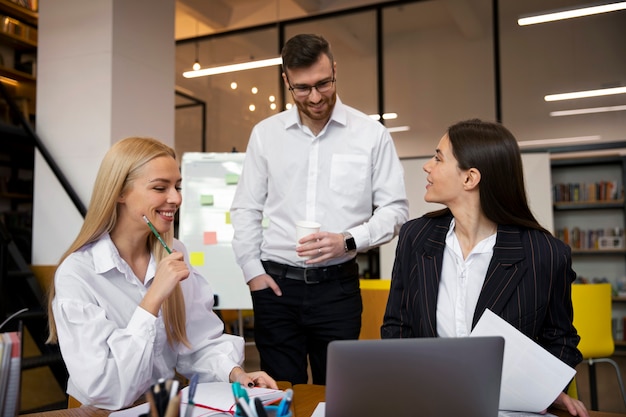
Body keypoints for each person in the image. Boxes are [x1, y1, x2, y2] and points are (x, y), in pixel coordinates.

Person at [47, 137, 277, 410]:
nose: (176, 198)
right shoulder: (78, 273)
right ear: (119, 192)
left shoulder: (173, 251)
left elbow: (195, 340)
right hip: (101, 412)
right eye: (160, 187)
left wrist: (237, 375)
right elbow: (104, 388)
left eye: (178, 186)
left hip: (162, 405)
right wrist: (152, 300)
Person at [230, 33, 409, 385]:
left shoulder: (370, 135)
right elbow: (246, 207)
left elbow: (395, 210)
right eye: (302, 88)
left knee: (338, 393)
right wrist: (252, 271)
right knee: (279, 393)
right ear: (286, 81)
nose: (314, 97)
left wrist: (347, 239)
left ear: (334, 70)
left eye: (323, 83)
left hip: (337, 288)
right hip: (275, 287)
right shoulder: (266, 134)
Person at [381, 119, 589, 417]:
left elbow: (561, 339)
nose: (427, 166)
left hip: (506, 408)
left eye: (438, 158)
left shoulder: (545, 254)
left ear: (470, 178)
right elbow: (396, 326)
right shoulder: (416, 237)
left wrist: (548, 390)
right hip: (428, 400)